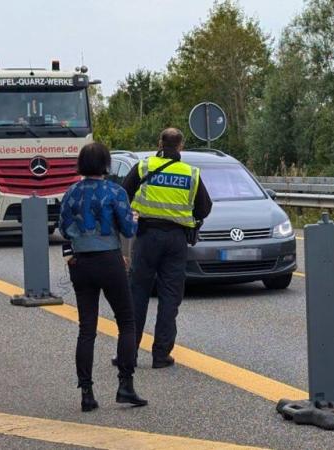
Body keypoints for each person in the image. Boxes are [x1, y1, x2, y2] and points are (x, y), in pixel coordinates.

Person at [59, 143, 148, 412]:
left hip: (81, 263)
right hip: (110, 260)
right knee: (127, 322)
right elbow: (129, 230)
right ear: (106, 164)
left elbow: (63, 228)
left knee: (87, 328)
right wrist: (134, 217)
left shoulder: (71, 192)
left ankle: (86, 393)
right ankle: (125, 385)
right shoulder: (115, 192)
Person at [120, 128, 212, 368]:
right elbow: (204, 208)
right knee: (170, 296)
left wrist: (132, 216)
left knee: (137, 294)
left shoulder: (144, 166)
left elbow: (123, 194)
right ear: (181, 146)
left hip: (147, 236)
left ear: (159, 143)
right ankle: (161, 355)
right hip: (176, 240)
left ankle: (128, 354)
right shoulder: (190, 173)